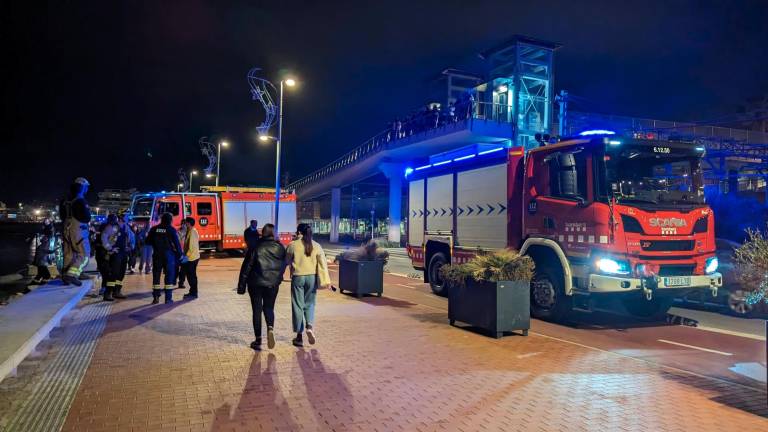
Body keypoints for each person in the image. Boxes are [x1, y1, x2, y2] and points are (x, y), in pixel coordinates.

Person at [237, 223, 286, 350]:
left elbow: (247, 266)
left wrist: (241, 286)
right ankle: (270, 327)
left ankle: (258, 340)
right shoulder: (280, 247)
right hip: (272, 284)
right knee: (269, 308)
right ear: (273, 233)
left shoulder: (255, 246)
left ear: (262, 233)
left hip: (255, 284)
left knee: (256, 311)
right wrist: (278, 278)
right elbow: (283, 265)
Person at [285, 224, 330, 347]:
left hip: (298, 277)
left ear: (299, 232)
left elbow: (287, 260)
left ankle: (299, 337)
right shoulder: (317, 245)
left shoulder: (293, 245)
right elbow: (323, 263)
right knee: (310, 304)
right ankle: (309, 326)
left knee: (298, 305)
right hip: (312, 277)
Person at [59, 177, 91, 286]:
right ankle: (72, 275)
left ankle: (66, 276)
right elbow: (87, 217)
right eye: (86, 188)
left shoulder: (65, 200)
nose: (87, 190)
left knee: (69, 253)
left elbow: (62, 216)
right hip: (78, 230)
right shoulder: (80, 201)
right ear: (82, 188)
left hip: (66, 229)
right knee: (84, 254)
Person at [146, 212, 182, 304]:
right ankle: (168, 298)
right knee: (169, 276)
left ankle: (156, 297)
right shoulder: (171, 230)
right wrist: (180, 254)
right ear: (170, 220)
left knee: (156, 276)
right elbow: (177, 244)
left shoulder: (154, 229)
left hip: (157, 255)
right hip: (168, 256)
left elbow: (147, 242)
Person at [101, 211, 135, 301]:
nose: (128, 218)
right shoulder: (112, 227)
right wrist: (110, 249)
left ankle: (117, 291)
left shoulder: (126, 227)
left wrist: (129, 247)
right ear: (121, 217)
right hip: (115, 254)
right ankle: (108, 293)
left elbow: (130, 238)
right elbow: (104, 238)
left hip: (124, 253)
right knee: (114, 274)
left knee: (121, 274)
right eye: (127, 216)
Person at [30, 219, 56, 285]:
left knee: (42, 268)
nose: (46, 222)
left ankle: (39, 279)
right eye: (45, 221)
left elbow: (51, 234)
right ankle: (41, 279)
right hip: (42, 257)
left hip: (47, 244)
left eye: (47, 221)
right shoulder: (43, 244)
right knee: (44, 270)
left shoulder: (50, 228)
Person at [181, 217, 200, 299]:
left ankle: (194, 293)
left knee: (191, 276)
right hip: (191, 257)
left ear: (189, 223)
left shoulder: (192, 232)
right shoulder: (190, 231)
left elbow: (191, 247)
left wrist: (186, 256)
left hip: (192, 258)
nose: (185, 224)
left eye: (186, 223)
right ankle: (192, 292)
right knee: (190, 275)